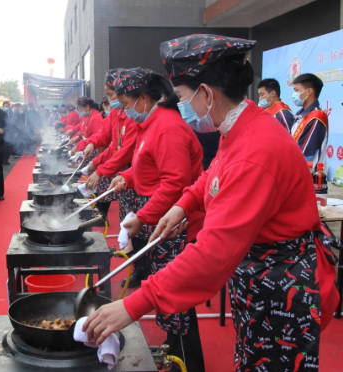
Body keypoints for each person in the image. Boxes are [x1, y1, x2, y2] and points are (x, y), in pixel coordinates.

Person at [83, 34, 339, 372]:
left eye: (184, 97)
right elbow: (212, 174)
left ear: (206, 93)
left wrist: (134, 304)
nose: (182, 105)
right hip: (256, 274)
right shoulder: (237, 127)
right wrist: (183, 205)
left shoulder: (256, 150)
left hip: (280, 287)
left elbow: (213, 253)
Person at [103, 67, 205, 371]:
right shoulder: (152, 123)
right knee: (165, 290)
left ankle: (187, 361)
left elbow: (174, 183)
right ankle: (174, 349)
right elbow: (146, 166)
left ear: (144, 99)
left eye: (123, 102)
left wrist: (142, 216)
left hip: (173, 223)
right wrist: (126, 177)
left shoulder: (168, 128)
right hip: (159, 217)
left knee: (176, 294)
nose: (122, 109)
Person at [82, 68, 138, 226]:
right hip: (122, 169)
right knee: (126, 211)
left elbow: (125, 151)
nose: (109, 100)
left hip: (132, 169)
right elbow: (108, 138)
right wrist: (92, 144)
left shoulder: (133, 116)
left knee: (132, 214)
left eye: (110, 95)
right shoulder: (116, 113)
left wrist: (100, 169)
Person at [291, 73, 328, 170]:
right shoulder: (299, 116)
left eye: (296, 90)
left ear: (309, 92)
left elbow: (305, 154)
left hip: (310, 177)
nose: (294, 94)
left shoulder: (316, 117)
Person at [2, 101, 13, 165]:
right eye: (5, 106)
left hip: (9, 132)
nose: (6, 107)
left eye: (7, 106)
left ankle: (6, 159)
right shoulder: (0, 113)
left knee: (8, 147)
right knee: (3, 147)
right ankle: (3, 159)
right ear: (3, 106)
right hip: (2, 132)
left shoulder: (11, 114)